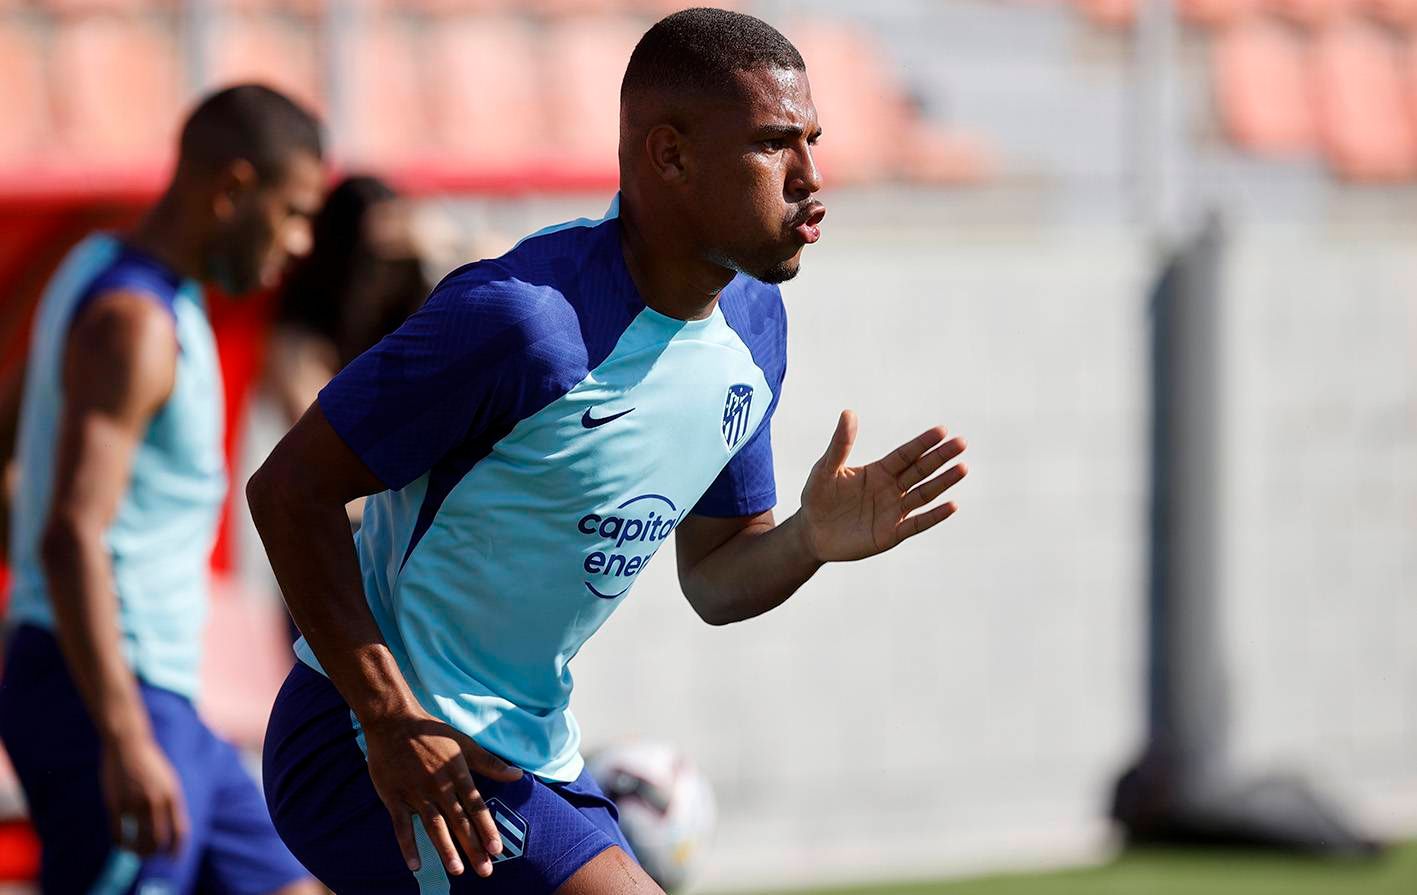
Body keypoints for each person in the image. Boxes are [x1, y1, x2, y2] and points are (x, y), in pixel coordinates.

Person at [249, 9, 968, 894]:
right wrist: (389, 715)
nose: (812, 178)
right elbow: (288, 488)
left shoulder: (753, 326)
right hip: (365, 737)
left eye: (813, 142)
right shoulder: (518, 320)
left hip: (527, 749)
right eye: (775, 145)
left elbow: (715, 574)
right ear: (669, 156)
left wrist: (807, 541)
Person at [0, 85, 325, 895]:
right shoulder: (135, 324)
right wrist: (121, 733)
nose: (300, 242)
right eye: (291, 212)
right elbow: (72, 532)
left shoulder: (99, 270)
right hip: (108, 693)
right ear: (232, 189)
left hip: (157, 698)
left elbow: (14, 446)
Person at [266, 174, 431, 430]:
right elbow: (317, 432)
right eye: (373, 258)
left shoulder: (423, 310)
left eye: (400, 258)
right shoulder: (300, 333)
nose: (388, 276)